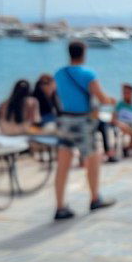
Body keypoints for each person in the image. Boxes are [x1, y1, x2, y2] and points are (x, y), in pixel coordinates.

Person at [53, 40, 117, 220]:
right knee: (92, 158)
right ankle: (95, 198)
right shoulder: (88, 73)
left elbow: (60, 96)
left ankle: (60, 206)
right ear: (83, 53)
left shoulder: (59, 73)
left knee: (63, 163)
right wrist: (111, 101)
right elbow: (102, 99)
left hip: (65, 119)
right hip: (83, 120)